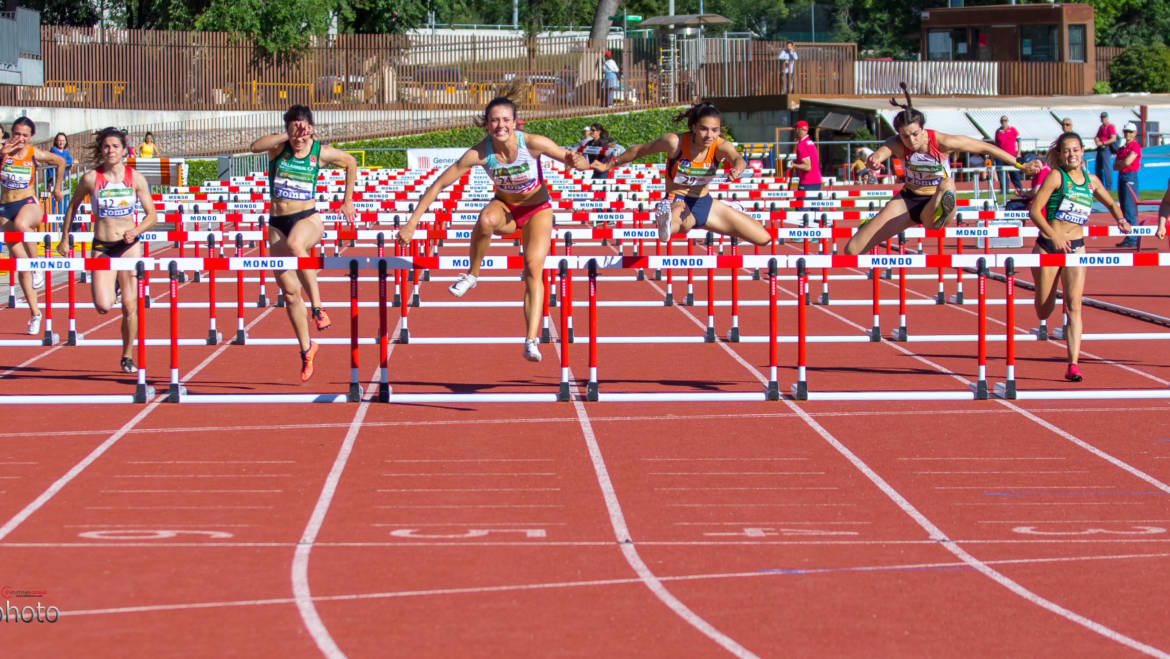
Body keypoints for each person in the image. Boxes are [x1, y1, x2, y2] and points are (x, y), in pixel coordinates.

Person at [396, 90, 591, 363]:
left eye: (505, 120)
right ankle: (472, 275)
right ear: (487, 124)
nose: (501, 125)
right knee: (485, 219)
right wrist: (412, 223)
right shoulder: (480, 152)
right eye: (495, 120)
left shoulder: (532, 143)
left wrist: (577, 161)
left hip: (537, 211)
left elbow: (570, 157)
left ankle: (531, 340)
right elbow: (440, 183)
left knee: (533, 269)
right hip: (506, 210)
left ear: (515, 122)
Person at [845, 87, 1041, 256]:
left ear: (923, 130)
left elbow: (985, 147)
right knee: (852, 249)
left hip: (935, 200)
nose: (911, 141)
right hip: (908, 199)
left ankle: (944, 205)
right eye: (905, 137)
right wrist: (875, 159)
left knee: (946, 186)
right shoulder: (897, 144)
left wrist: (1019, 164)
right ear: (899, 135)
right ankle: (874, 222)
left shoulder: (942, 142)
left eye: (915, 134)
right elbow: (882, 152)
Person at [249, 105, 357, 382]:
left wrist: (347, 201)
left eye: (302, 130)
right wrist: (285, 134)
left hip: (308, 218)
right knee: (289, 293)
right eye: (293, 131)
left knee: (298, 244)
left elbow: (351, 162)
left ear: (310, 128)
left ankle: (319, 308)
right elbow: (254, 146)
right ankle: (307, 348)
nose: (299, 138)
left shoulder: (318, 151)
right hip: (276, 224)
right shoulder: (279, 149)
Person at [593, 101, 772, 247]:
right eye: (704, 129)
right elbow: (639, 150)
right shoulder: (675, 142)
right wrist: (609, 165)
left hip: (705, 203)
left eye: (714, 130)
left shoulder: (719, 145)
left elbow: (737, 157)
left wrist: (738, 168)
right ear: (694, 127)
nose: (709, 135)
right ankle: (665, 219)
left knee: (763, 238)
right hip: (677, 200)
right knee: (677, 225)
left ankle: (725, 210)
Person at [1029, 131, 1130, 383]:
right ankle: (1044, 289)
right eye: (1066, 151)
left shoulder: (1092, 181)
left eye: (1075, 150)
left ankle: (1073, 363)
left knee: (1075, 306)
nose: (1071, 154)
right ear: (1061, 155)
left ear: (1083, 152)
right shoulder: (1056, 177)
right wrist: (1053, 235)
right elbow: (1034, 211)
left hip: (1076, 248)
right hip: (1049, 246)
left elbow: (1112, 203)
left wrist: (1120, 219)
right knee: (1044, 311)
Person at [56, 127, 158, 372]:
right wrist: (64, 238)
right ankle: (113, 285)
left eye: (115, 146)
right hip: (102, 246)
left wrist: (137, 230)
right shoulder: (92, 178)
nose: (110, 150)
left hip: (129, 245)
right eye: (106, 146)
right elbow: (72, 206)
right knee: (103, 306)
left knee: (130, 307)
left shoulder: (135, 178)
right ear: (101, 150)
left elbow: (152, 215)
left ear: (124, 150)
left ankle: (127, 355)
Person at [1, 118, 65, 335]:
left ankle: (37, 264)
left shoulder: (32, 153)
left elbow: (60, 162)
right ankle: (35, 314)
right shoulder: (3, 151)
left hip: (29, 205)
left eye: (25, 135)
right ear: (11, 133)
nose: (20, 138)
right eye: (16, 134)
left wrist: (57, 188)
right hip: (5, 208)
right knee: (21, 266)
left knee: (21, 224)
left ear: (31, 137)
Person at [1114, 122, 1142, 248]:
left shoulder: (1135, 147)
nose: (1128, 134)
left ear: (1135, 134)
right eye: (1126, 131)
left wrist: (1122, 163)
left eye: (1130, 132)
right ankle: (1129, 235)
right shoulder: (1121, 148)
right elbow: (1116, 165)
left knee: (1130, 207)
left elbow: (1126, 162)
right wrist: (1122, 163)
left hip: (1130, 176)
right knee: (1124, 207)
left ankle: (1132, 237)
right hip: (1122, 176)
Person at [995, 115, 1024, 196]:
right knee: (1001, 173)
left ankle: (1019, 189)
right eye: (1002, 120)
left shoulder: (1013, 130)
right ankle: (1004, 190)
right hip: (1001, 156)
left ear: (1007, 121)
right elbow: (996, 143)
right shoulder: (998, 131)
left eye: (1005, 120)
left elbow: (1019, 140)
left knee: (1014, 173)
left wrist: (1018, 152)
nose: (1004, 122)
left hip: (1012, 155)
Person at [789, 120, 822, 191]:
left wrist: (794, 165)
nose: (794, 131)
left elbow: (807, 167)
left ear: (798, 130)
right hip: (816, 181)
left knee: (801, 202)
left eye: (795, 129)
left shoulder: (802, 145)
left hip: (807, 182)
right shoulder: (810, 142)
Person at [1093, 112, 1118, 190]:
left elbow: (1113, 138)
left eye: (1104, 118)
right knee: (1098, 168)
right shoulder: (1101, 127)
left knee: (1106, 168)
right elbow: (1097, 136)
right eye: (1102, 118)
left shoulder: (1110, 127)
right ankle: (1099, 186)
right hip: (1100, 149)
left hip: (1106, 148)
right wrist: (1097, 141)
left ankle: (1108, 187)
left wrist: (1103, 143)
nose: (1103, 119)